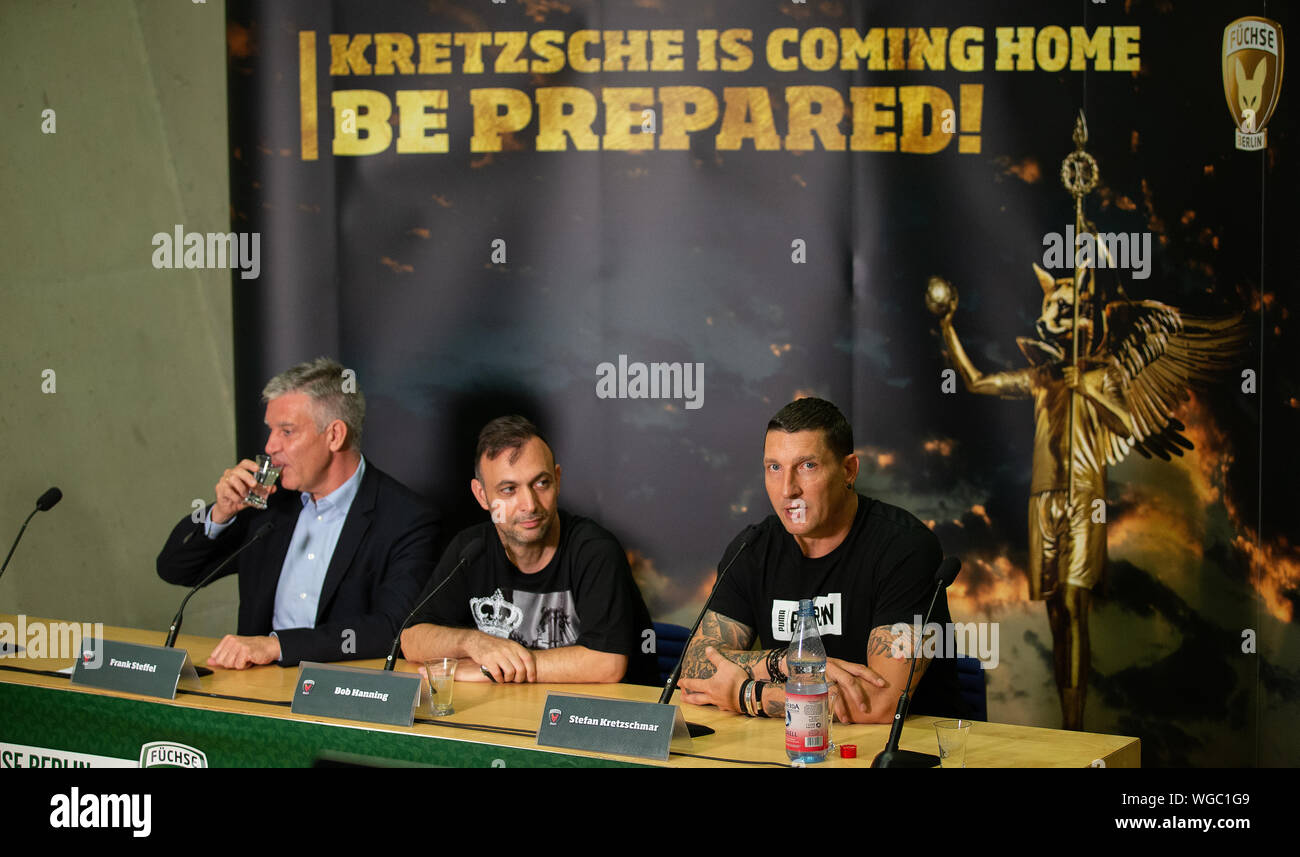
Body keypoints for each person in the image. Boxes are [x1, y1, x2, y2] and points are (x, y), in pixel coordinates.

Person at [678, 397, 966, 722]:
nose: (788, 489)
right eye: (774, 467)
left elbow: (881, 704)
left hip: (908, 751)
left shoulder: (906, 548)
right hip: (794, 746)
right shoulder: (752, 547)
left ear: (848, 470)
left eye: (807, 466)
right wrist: (784, 662)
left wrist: (750, 694)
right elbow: (693, 670)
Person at [156, 357, 439, 669]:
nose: (270, 446)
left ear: (335, 435)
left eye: (286, 432)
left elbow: (394, 629)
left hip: (339, 696)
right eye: (271, 431)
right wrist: (221, 515)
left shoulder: (406, 519)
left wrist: (278, 646)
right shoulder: (267, 506)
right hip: (255, 689)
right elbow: (175, 569)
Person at [400, 416, 657, 685]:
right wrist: (473, 643)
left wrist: (493, 670)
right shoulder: (470, 549)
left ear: (557, 479)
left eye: (541, 483)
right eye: (509, 489)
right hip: (511, 714)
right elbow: (411, 640)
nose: (530, 504)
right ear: (481, 495)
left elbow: (607, 663)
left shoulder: (594, 550)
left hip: (598, 718)